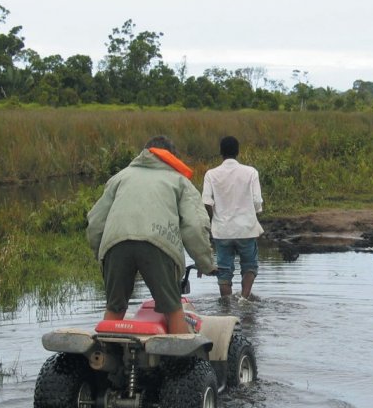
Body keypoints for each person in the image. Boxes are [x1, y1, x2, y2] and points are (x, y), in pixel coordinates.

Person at [87, 135, 217, 334]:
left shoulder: (120, 177)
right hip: (158, 242)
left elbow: (95, 222)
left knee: (115, 307)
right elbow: (195, 226)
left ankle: (106, 358)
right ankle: (180, 362)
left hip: (115, 244)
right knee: (173, 309)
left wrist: (102, 254)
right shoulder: (179, 181)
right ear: (172, 158)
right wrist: (205, 263)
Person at [202, 135, 264, 299]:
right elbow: (257, 201)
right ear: (238, 151)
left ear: (221, 152)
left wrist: (215, 219)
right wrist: (253, 213)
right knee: (250, 266)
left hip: (222, 232)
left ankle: (226, 306)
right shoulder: (251, 172)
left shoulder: (211, 174)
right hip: (246, 229)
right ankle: (244, 299)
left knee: (224, 270)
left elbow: (207, 202)